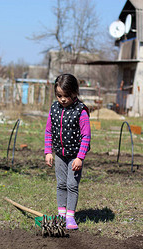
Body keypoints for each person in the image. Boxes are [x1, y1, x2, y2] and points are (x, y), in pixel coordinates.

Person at [44, 73, 91, 230]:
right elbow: (48, 131)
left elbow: (86, 136)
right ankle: (61, 214)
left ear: (75, 92)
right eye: (59, 95)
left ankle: (70, 216)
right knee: (61, 184)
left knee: (72, 184)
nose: (62, 99)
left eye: (66, 96)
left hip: (74, 156)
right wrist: (48, 151)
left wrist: (80, 157)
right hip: (60, 154)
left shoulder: (81, 111)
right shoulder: (54, 109)